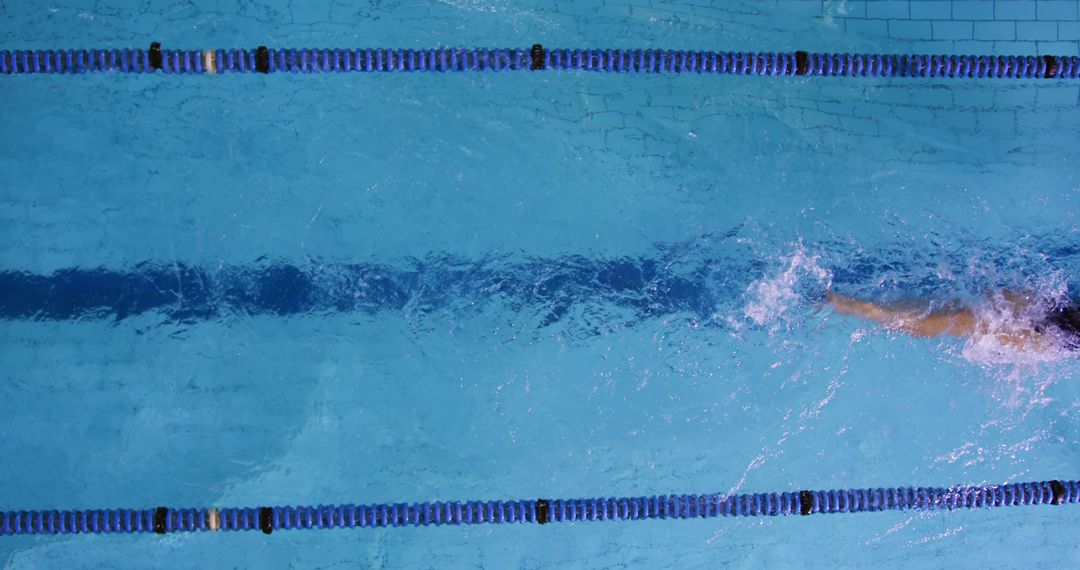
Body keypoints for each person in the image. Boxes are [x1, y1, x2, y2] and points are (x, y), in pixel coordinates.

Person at [826, 290, 1080, 351]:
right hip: (1055, 331)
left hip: (1056, 311)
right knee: (934, 324)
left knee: (959, 317)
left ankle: (848, 303)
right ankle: (846, 304)